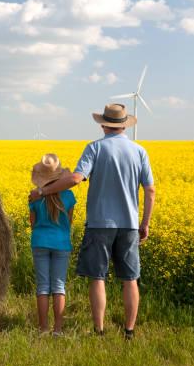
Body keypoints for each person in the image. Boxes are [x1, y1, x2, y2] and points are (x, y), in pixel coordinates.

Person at [29, 103, 155, 340]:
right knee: (130, 279)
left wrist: (44, 192)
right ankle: (129, 332)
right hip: (129, 224)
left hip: (99, 223)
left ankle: (99, 331)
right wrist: (145, 223)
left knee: (98, 278)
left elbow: (76, 178)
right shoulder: (140, 151)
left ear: (103, 124)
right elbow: (150, 191)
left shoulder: (95, 148)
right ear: (124, 125)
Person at [29, 153, 76, 337]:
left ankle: (43, 329)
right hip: (61, 242)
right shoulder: (69, 195)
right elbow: (69, 222)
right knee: (58, 286)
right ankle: (57, 330)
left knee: (42, 287)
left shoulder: (34, 197)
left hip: (40, 241)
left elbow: (33, 224)